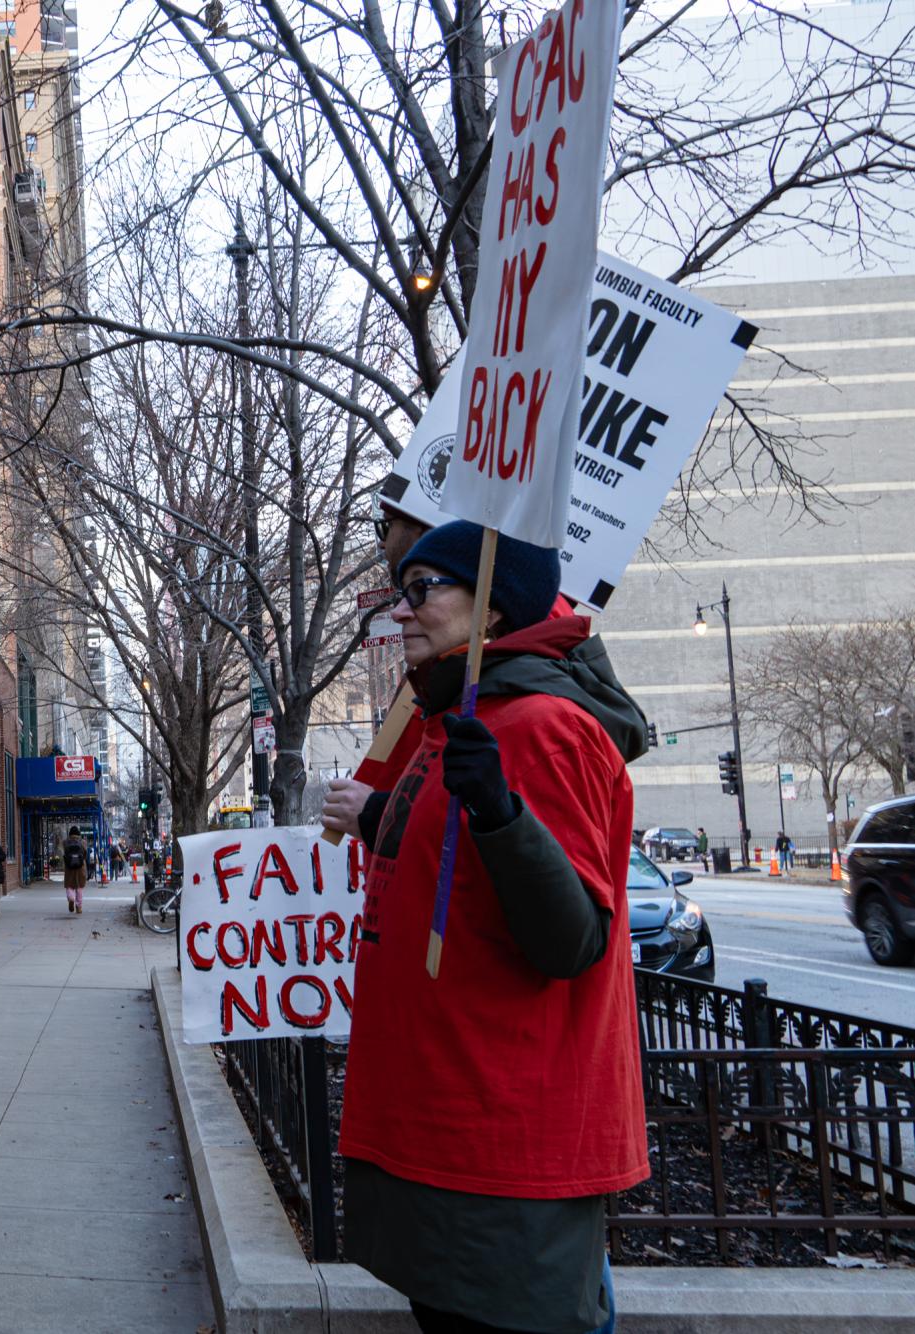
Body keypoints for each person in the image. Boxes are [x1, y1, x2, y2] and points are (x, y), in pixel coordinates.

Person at [319, 521, 647, 1334]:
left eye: (423, 587)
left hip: (503, 1152)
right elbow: (451, 870)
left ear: (493, 607)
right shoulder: (454, 722)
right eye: (402, 590)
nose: (402, 611)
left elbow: (569, 940)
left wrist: (501, 810)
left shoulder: (542, 728)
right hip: (443, 1135)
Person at [61, 825, 88, 913]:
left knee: (69, 885)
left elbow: (63, 853)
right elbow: (85, 854)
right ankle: (79, 907)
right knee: (79, 887)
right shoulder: (83, 842)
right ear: (78, 834)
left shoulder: (65, 842)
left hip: (69, 868)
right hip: (80, 867)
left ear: (70, 834)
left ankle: (71, 898)